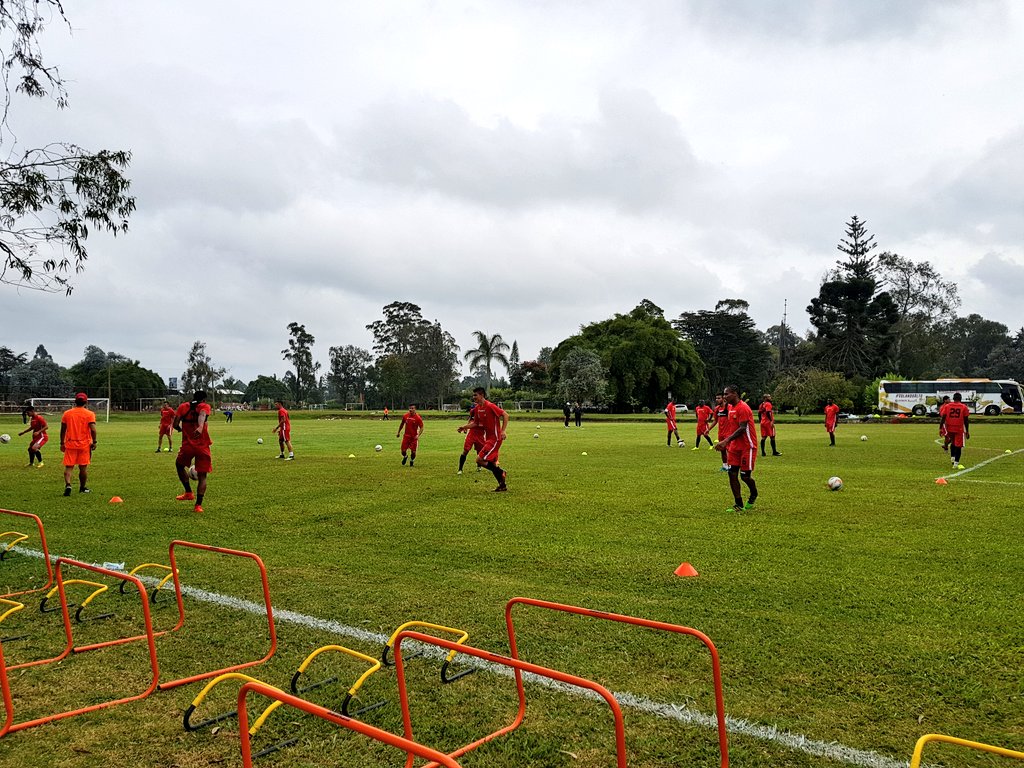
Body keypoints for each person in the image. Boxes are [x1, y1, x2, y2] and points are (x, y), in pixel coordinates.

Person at [714, 385, 758, 512]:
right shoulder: (730, 408)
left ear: (735, 394)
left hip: (747, 446)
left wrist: (726, 440)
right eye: (724, 394)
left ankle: (754, 493)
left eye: (727, 394)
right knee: (732, 474)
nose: (724, 397)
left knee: (745, 476)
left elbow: (742, 428)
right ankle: (738, 504)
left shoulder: (743, 408)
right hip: (734, 447)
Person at [173, 390, 212, 514]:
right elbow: (202, 414)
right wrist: (200, 427)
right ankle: (198, 505)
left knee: (179, 465)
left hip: (188, 445)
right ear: (204, 399)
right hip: (203, 445)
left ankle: (188, 492)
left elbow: (175, 424)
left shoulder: (183, 406)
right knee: (203, 476)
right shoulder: (205, 406)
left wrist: (180, 429)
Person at [469, 387, 509, 491]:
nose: (474, 397)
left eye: (475, 395)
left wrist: (503, 431)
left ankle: (500, 472)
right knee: (493, 462)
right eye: (473, 395)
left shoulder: (490, 406)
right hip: (488, 439)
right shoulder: (477, 408)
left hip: (495, 439)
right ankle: (502, 485)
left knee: (479, 460)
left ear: (481, 395)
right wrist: (464, 427)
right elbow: (476, 423)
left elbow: (505, 415)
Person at [60, 392, 97, 496]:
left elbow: (63, 430)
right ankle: (82, 487)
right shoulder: (89, 414)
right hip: (84, 445)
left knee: (69, 467)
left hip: (70, 443)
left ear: (75, 401)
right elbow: (93, 430)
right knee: (83, 468)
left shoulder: (67, 413)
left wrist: (62, 443)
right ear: (86, 402)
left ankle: (68, 484)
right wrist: (94, 442)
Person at [940, 392, 970, 469]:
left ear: (953, 399)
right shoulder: (964, 407)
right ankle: (956, 463)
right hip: (959, 428)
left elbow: (943, 417)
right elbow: (966, 420)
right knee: (958, 446)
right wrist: (967, 431)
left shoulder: (947, 406)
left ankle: (952, 458)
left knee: (953, 443)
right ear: (960, 399)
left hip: (949, 428)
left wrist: (940, 428)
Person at [457, 403, 486, 474]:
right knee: (465, 451)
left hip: (480, 435)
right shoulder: (473, 413)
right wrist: (466, 428)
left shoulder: (484, 414)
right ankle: (460, 469)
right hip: (472, 435)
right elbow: (470, 420)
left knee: (480, 452)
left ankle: (479, 466)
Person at [712, 394, 730, 471]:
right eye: (716, 398)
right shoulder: (717, 409)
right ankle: (724, 465)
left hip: (728, 433)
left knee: (730, 450)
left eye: (719, 398)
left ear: (723, 399)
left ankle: (731, 466)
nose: (717, 400)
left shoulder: (729, 407)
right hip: (721, 433)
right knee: (722, 450)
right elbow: (715, 420)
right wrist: (708, 429)